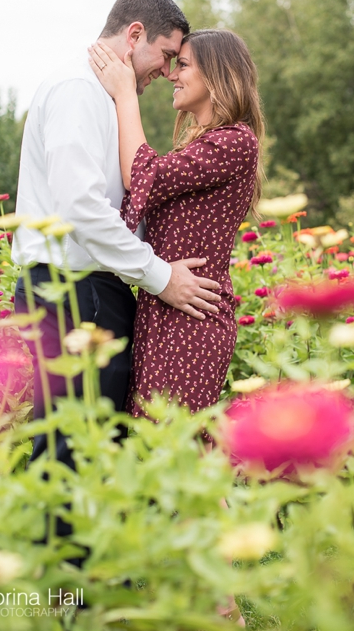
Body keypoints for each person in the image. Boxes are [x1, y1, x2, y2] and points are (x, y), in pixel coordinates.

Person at [13, 0, 223, 475]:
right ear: (134, 35)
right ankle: (55, 553)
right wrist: (161, 276)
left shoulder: (103, 97)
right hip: (71, 291)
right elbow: (82, 208)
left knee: (90, 448)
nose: (167, 72)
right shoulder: (78, 91)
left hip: (88, 291)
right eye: (167, 55)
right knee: (72, 452)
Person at [87, 28, 262, 419]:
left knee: (172, 449)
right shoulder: (203, 142)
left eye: (182, 65)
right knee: (156, 447)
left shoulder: (235, 141)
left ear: (217, 75)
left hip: (193, 322)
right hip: (165, 311)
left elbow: (143, 175)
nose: (171, 74)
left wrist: (126, 93)